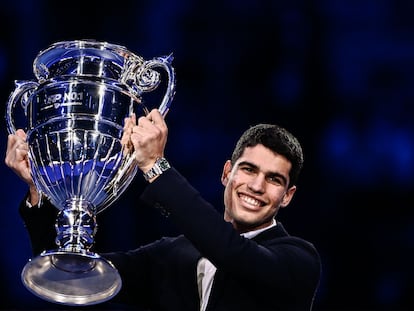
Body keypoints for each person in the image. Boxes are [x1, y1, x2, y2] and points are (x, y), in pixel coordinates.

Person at [5, 109, 322, 311]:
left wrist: (156, 166)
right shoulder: (172, 255)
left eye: (273, 179)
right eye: (249, 170)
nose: (256, 186)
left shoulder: (298, 260)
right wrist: (43, 187)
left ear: (287, 196)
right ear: (227, 173)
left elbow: (232, 253)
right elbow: (69, 272)